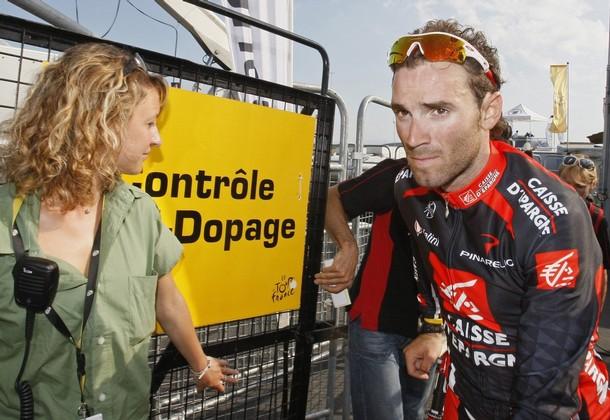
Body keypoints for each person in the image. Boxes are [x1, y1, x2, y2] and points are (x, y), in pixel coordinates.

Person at [0, 43, 237, 419]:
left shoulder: (140, 213)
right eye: (147, 123)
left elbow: (167, 299)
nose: (157, 138)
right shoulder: (3, 215)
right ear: (100, 123)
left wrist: (201, 364)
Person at [388, 19, 605, 418]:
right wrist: (433, 328)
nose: (413, 136)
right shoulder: (409, 188)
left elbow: (545, 402)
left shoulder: (551, 221)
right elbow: (432, 269)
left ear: (489, 111)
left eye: (438, 110)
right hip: (465, 398)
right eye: (403, 112)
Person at [314, 159, 435, 419]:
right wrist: (348, 245)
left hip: (433, 328)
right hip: (378, 324)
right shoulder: (398, 173)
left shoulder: (476, 190)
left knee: (414, 413)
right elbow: (330, 199)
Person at [558, 154, 610, 419]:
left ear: (592, 187)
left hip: (583, 300)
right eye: (567, 184)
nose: (573, 191)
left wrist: (595, 311)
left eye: (580, 187)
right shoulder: (546, 210)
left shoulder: (598, 218)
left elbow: (604, 272)